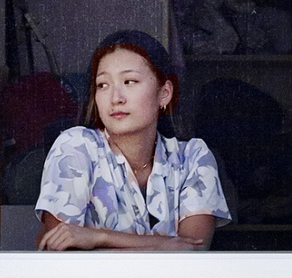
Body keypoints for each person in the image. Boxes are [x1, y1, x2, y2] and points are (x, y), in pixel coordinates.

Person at [35, 29, 231, 251]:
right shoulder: (76, 147)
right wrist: (163, 246)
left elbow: (192, 250)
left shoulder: (193, 158)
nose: (115, 98)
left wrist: (99, 237)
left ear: (164, 93)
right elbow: (60, 250)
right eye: (102, 85)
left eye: (129, 81)